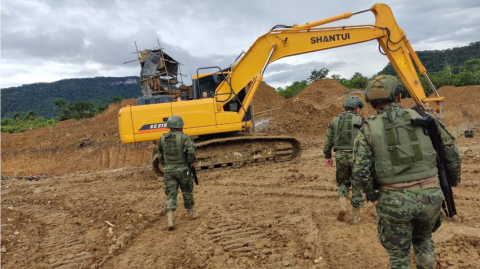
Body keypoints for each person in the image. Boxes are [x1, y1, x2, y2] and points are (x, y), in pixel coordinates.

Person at [353, 75, 462, 268]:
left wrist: (373, 196)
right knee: (424, 241)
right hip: (430, 196)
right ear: (399, 96)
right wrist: (452, 184)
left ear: (370, 102)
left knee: (399, 255)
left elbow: (360, 171)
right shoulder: (425, 119)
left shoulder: (367, 129)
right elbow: (452, 153)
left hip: (393, 201)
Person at [324, 96, 365, 223]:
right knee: (357, 185)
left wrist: (327, 156)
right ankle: (356, 217)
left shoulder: (335, 120)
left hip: (340, 155)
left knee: (342, 183)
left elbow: (328, 141)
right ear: (357, 108)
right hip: (357, 156)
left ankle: (342, 206)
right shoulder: (361, 120)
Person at [157, 115, 197, 230]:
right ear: (180, 126)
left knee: (170, 194)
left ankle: (170, 221)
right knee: (187, 191)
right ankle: (191, 214)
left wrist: (166, 165)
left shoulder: (162, 138)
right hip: (183, 169)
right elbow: (191, 152)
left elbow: (160, 154)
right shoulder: (185, 137)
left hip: (169, 171)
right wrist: (191, 162)